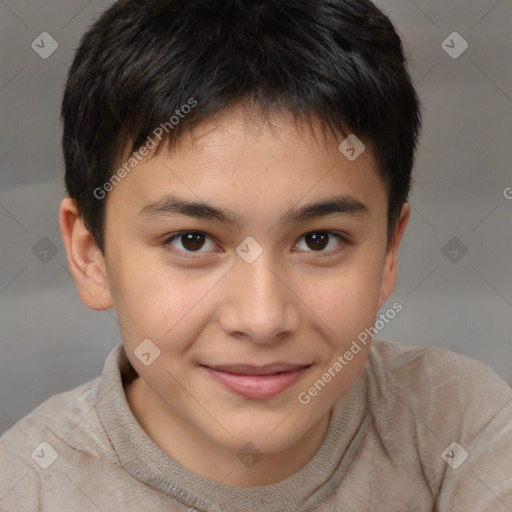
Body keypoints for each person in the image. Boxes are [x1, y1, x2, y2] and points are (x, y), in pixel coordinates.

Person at [1, 0, 510, 510]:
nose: (263, 319)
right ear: (93, 257)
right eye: (192, 240)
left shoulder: (458, 427)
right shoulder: (28, 488)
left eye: (318, 240)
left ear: (387, 253)